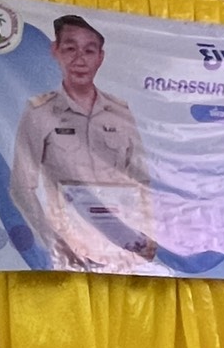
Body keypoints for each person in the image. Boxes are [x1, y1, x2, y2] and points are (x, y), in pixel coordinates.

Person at [9, 15, 157, 271]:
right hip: (70, 254)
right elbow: (22, 187)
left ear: (100, 57)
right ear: (55, 51)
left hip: (122, 252)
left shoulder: (120, 113)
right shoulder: (39, 113)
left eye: (89, 51)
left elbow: (141, 181)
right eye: (70, 49)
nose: (80, 60)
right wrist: (53, 240)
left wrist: (148, 234)